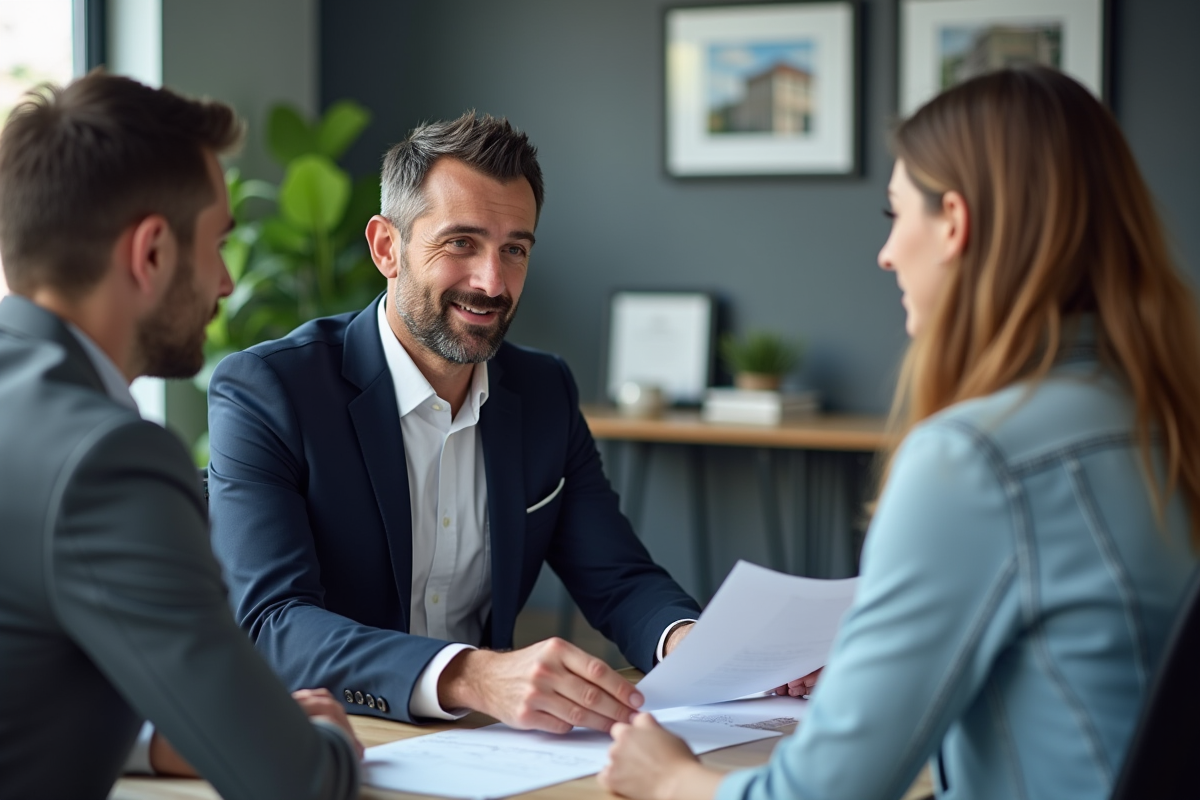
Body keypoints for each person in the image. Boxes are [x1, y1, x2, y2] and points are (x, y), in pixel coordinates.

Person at [600, 66, 1200, 800]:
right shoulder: (1163, 415)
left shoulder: (977, 458)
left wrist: (668, 780)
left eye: (894, 215)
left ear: (953, 222)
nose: (886, 254)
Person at [208, 112, 764, 734]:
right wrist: (470, 674)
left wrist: (691, 645)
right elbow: (273, 623)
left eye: (514, 250)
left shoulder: (544, 390)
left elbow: (619, 578)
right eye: (460, 243)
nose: (492, 283)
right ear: (387, 248)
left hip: (486, 746)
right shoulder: (270, 390)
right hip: (333, 737)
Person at [0, 73, 361, 800]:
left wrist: (155, 737)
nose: (227, 282)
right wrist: (326, 741)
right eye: (218, 243)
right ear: (153, 252)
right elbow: (293, 782)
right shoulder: (108, 461)